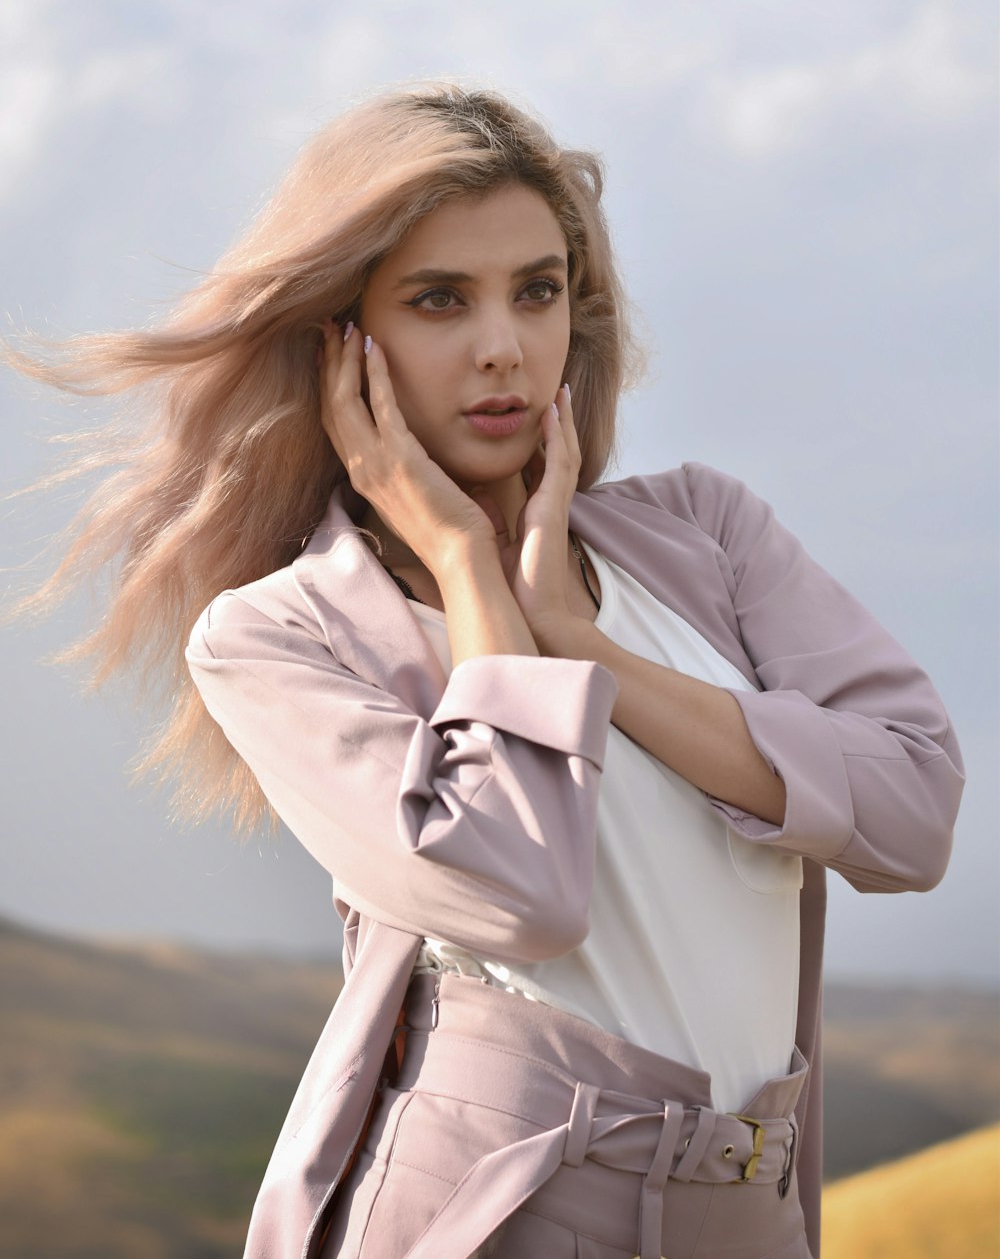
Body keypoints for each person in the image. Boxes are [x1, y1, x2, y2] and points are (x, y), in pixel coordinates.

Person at [9, 85, 963, 1259]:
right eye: (438, 300)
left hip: (749, 1212)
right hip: (500, 1210)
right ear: (341, 341)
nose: (503, 346)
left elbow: (914, 815)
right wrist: (470, 567)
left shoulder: (704, 535)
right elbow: (521, 892)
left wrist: (592, 648)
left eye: (538, 290)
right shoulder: (278, 637)